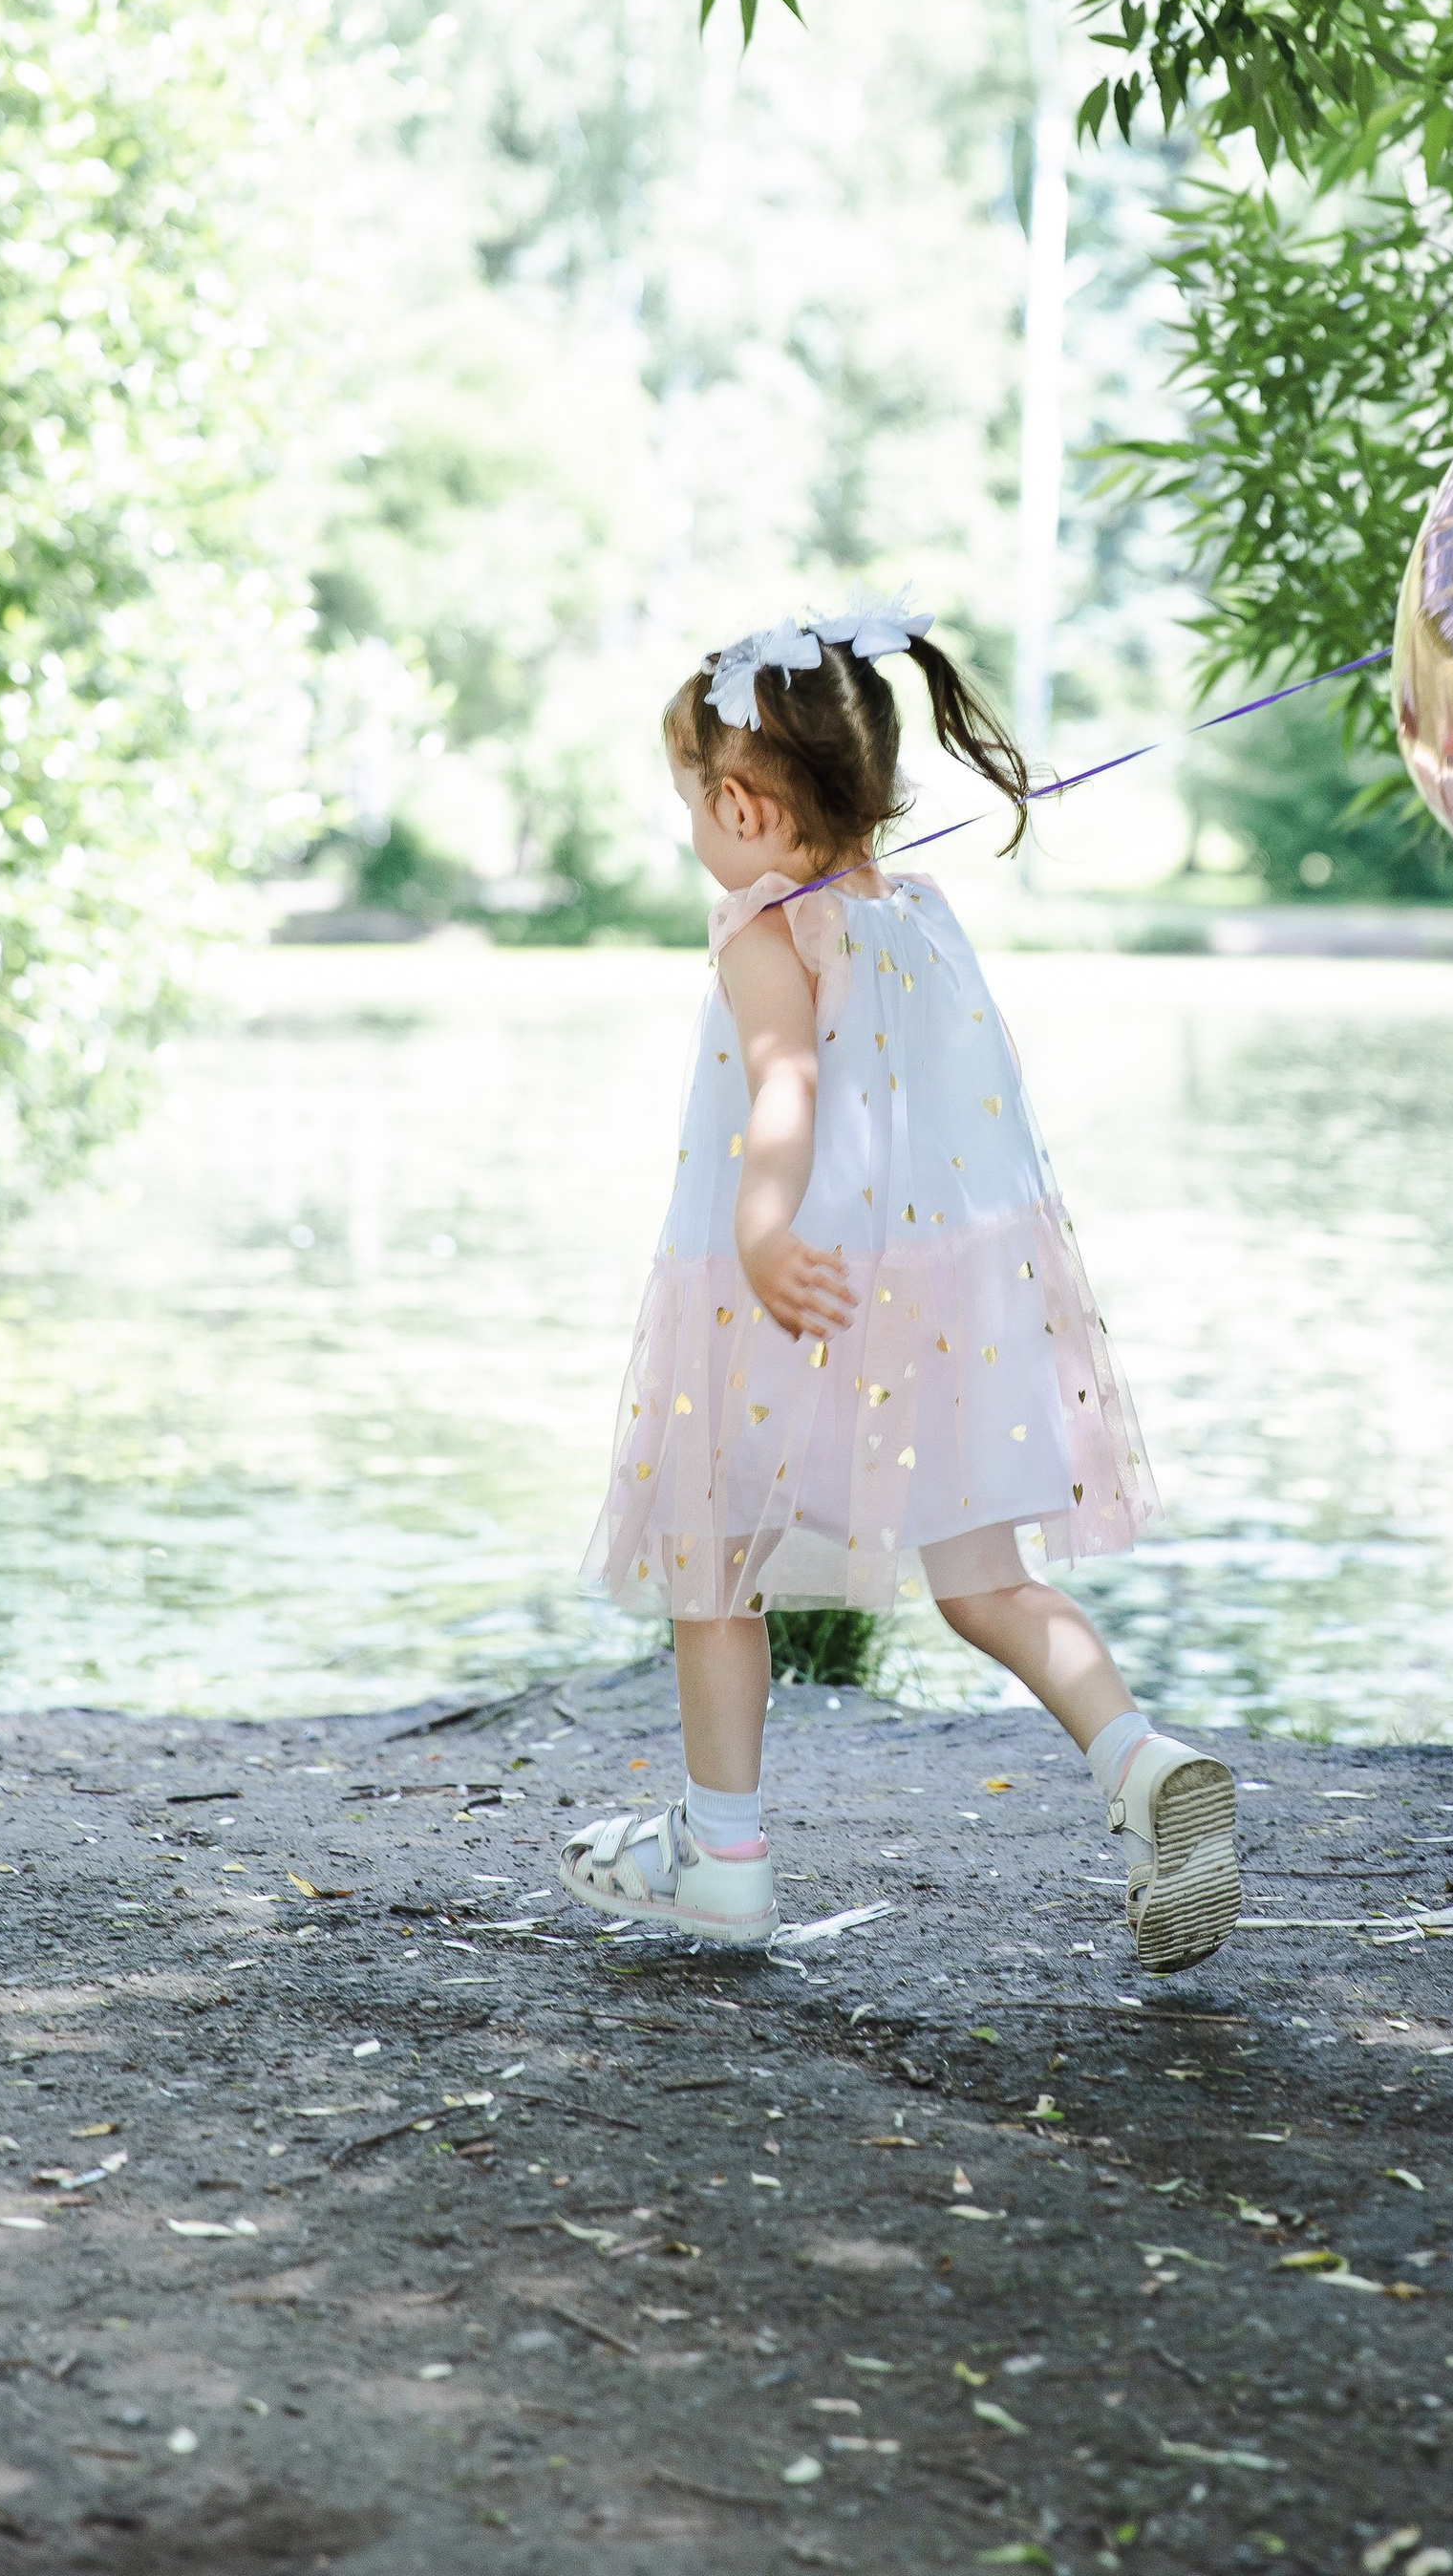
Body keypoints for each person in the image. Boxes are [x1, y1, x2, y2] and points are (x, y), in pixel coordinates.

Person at [559, 595, 1240, 1971]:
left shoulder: (763, 928)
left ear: (748, 810)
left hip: (789, 1293)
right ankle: (1138, 1759)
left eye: (692, 796)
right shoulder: (912, 910)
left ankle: (724, 1859)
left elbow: (786, 1084)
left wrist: (760, 1226)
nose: (689, 824)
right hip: (945, 1299)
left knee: (714, 1564)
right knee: (984, 1579)